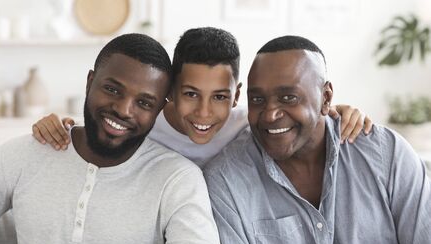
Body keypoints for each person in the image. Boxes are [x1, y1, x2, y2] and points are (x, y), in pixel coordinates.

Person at [0, 33, 230, 244]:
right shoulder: (23, 155)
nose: (124, 109)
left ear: (159, 110)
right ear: (90, 82)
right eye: (112, 89)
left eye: (144, 103)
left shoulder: (177, 179)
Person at [203, 35, 431, 244]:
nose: (270, 114)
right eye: (257, 100)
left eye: (288, 97)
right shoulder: (226, 181)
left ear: (326, 98)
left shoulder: (384, 153)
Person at [31, 27, 372, 167]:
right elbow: (105, 128)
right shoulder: (145, 124)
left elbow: (302, 117)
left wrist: (337, 112)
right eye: (191, 94)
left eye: (220, 97)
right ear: (169, 94)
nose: (205, 113)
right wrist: (61, 124)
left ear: (237, 96)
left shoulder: (250, 126)